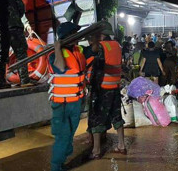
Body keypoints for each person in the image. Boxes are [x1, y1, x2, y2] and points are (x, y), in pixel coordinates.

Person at [47, 22, 85, 171]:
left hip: (75, 102)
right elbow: (61, 68)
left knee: (70, 134)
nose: (76, 37)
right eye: (73, 34)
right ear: (66, 37)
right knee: (63, 136)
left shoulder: (77, 52)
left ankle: (63, 155)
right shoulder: (53, 55)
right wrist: (57, 47)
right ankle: (56, 166)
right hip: (61, 105)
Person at [88, 21, 126, 159]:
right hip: (115, 87)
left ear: (101, 34)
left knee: (97, 117)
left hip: (102, 89)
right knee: (117, 115)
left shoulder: (102, 47)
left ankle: (96, 151)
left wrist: (91, 85)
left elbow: (97, 69)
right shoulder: (117, 45)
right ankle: (121, 145)